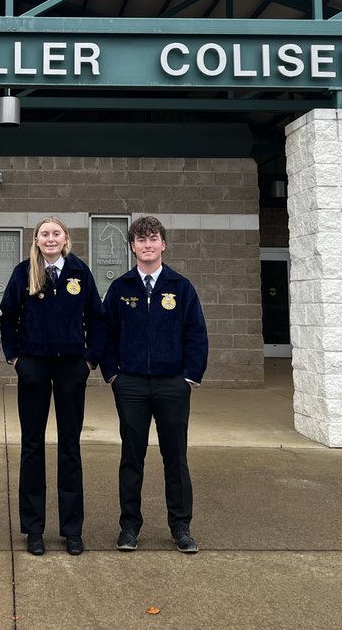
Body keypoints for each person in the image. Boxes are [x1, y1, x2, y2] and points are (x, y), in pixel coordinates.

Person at [100, 215, 208, 554]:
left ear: (163, 244)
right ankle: (129, 527)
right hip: (130, 385)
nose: (148, 244)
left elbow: (196, 334)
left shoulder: (181, 287)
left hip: (172, 385)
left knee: (175, 457)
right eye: (141, 240)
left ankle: (181, 527)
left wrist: (189, 377)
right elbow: (106, 334)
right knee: (132, 457)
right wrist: (114, 375)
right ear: (132, 247)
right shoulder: (120, 289)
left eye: (153, 239)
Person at [0, 216, 105, 556]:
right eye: (44, 234)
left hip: (71, 368)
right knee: (32, 446)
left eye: (55, 233)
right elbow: (8, 318)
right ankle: (34, 529)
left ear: (66, 238)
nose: (50, 238)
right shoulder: (23, 272)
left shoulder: (79, 272)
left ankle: (72, 530)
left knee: (69, 448)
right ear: (36, 239)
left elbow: (98, 319)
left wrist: (88, 361)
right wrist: (16, 359)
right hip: (34, 368)